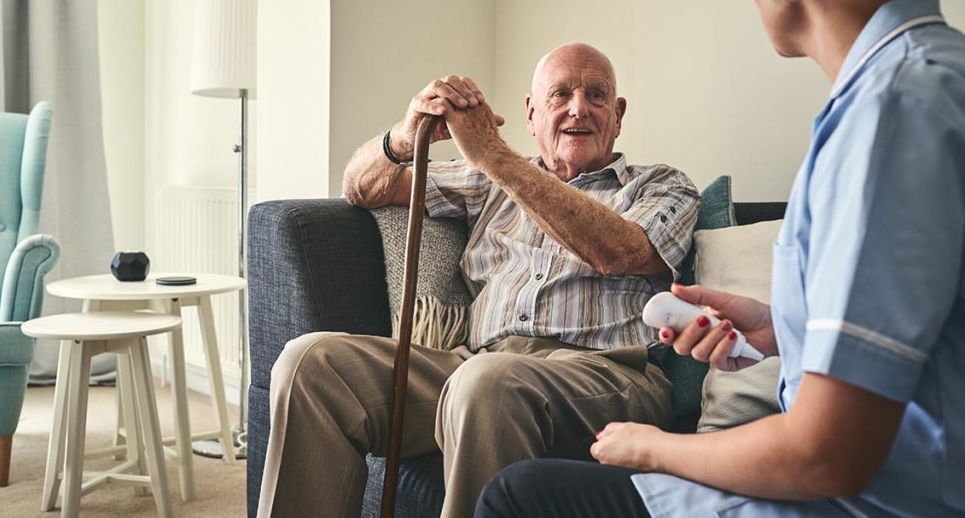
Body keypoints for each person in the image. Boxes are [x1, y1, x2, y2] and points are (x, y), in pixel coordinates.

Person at [475, 0, 965, 517]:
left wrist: (658, 448)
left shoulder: (891, 115)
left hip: (873, 501)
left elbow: (827, 455)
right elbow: (915, 319)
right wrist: (779, 329)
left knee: (521, 498)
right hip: (869, 482)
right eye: (560, 95)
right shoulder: (918, 78)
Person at [256, 43, 700, 518]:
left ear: (618, 114)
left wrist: (494, 156)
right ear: (531, 113)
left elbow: (620, 252)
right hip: (475, 364)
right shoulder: (486, 182)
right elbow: (363, 187)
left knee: (489, 384)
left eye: (596, 95)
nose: (579, 108)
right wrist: (404, 137)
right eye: (560, 95)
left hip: (607, 374)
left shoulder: (660, 185)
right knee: (311, 362)